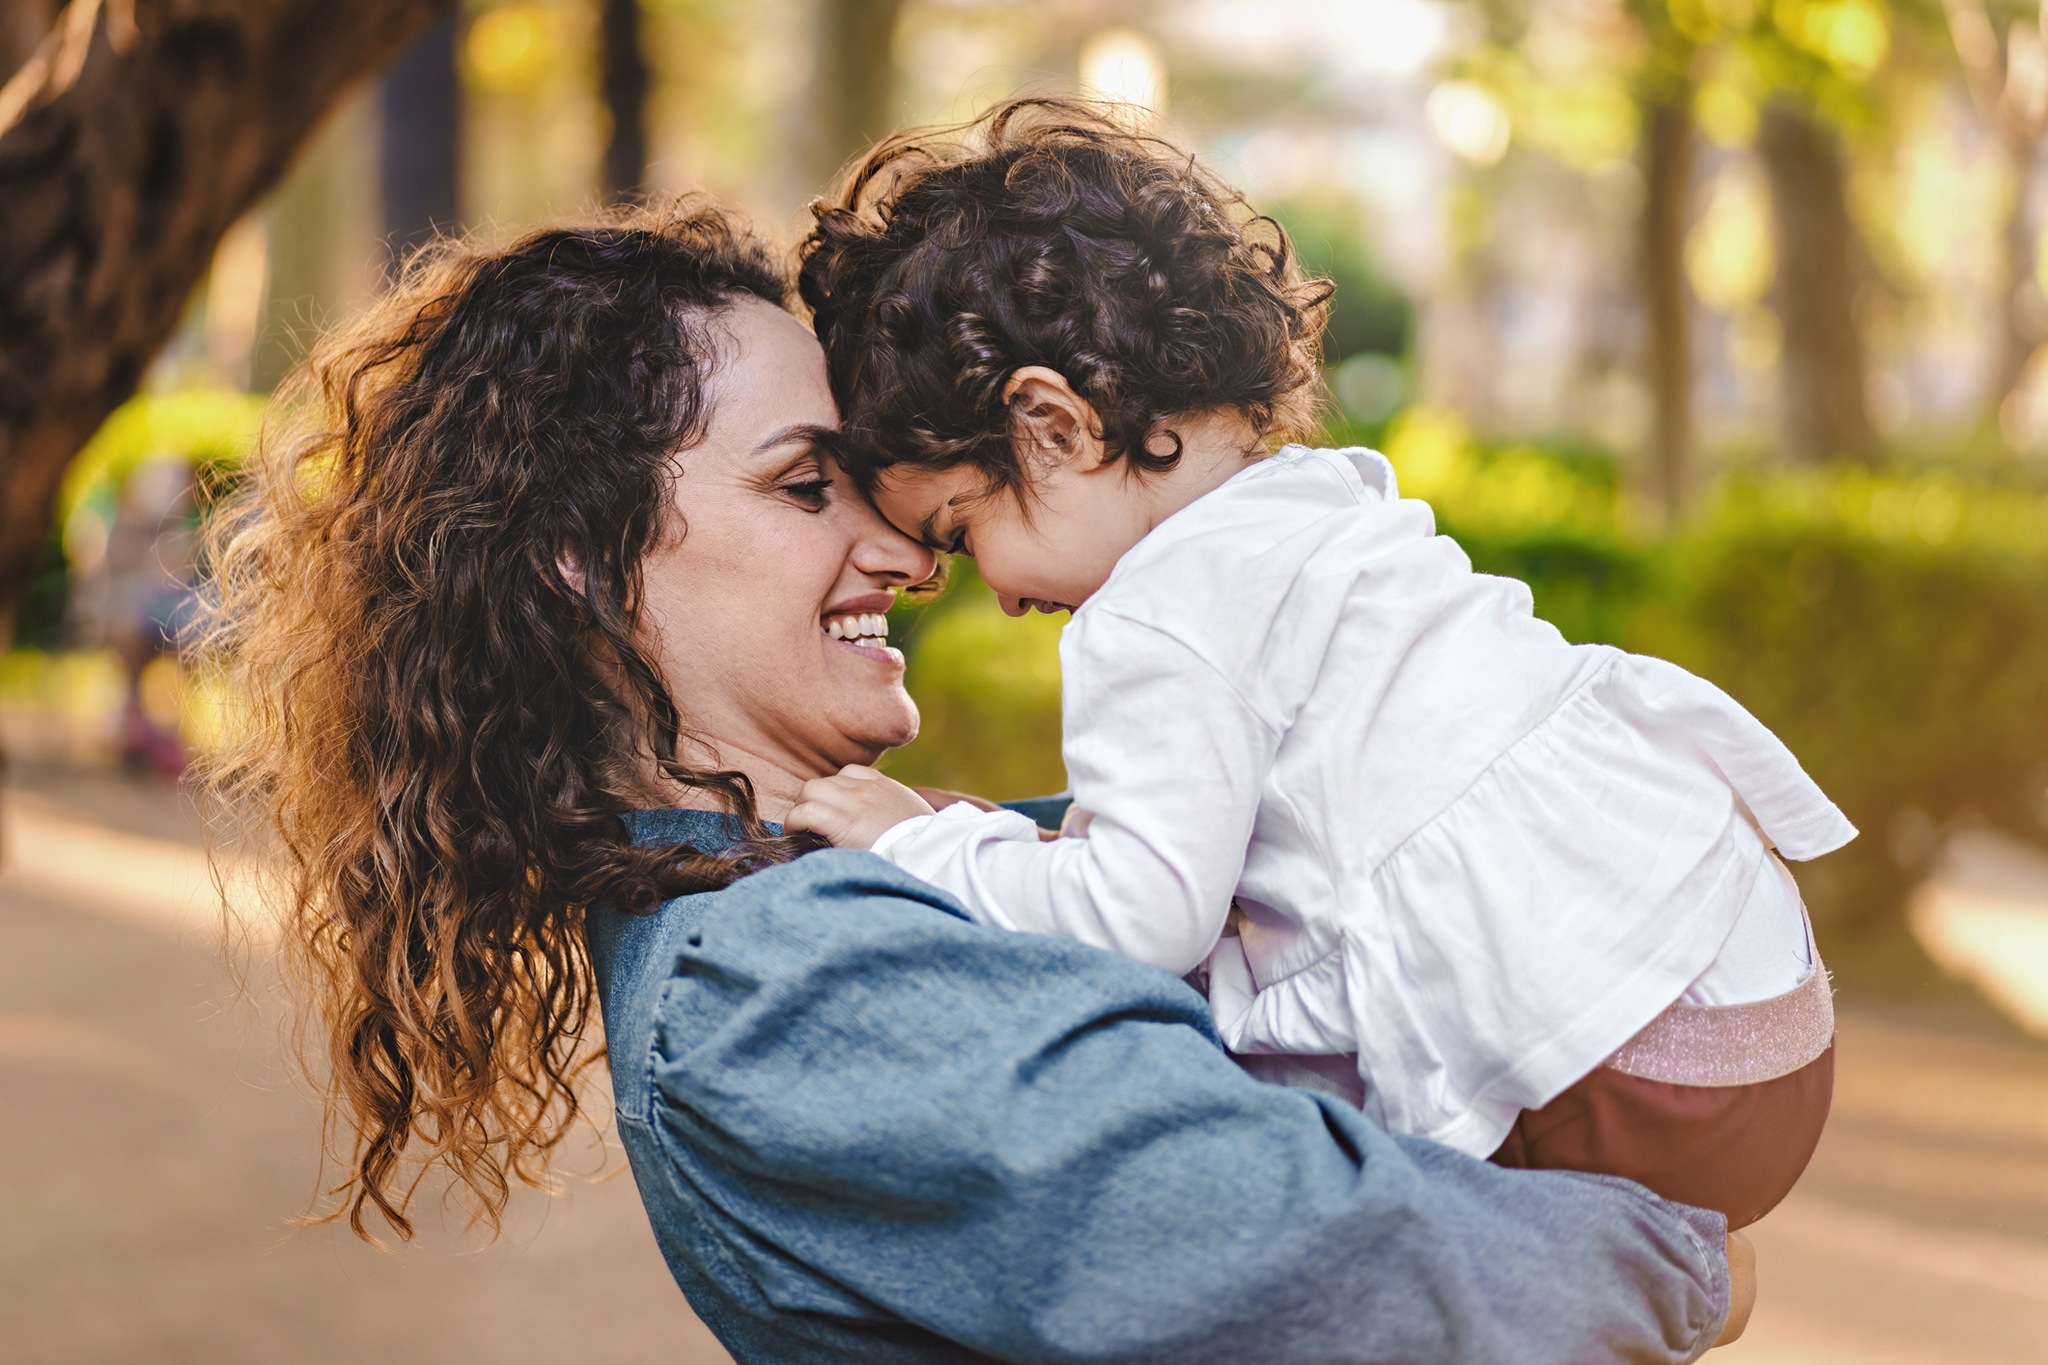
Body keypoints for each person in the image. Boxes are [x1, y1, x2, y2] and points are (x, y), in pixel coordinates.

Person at [196, 198, 1748, 1361]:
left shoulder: (832, 888)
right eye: (808, 485)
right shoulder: (773, 990)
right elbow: (1326, 1256)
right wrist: (1677, 1259)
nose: (907, 550)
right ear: (578, 562)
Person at [791, 99, 1847, 1232]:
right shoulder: (1320, 500)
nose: (998, 594)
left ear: (1052, 425)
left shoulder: (1153, 615)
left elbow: (1139, 922)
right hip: (1752, 999)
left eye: (960, 530)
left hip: (1619, 1072)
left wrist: (915, 846)